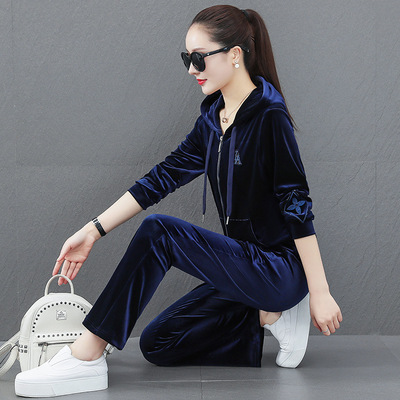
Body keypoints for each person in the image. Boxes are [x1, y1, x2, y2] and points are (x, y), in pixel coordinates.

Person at [15, 5, 343, 398]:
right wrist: (93, 231)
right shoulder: (212, 120)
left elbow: (296, 204)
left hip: (279, 269)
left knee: (160, 231)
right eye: (187, 58)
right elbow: (162, 177)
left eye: (199, 58)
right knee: (159, 342)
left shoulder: (269, 116)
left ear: (234, 55)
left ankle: (87, 355)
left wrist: (319, 292)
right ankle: (267, 316)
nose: (191, 69)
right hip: (243, 266)